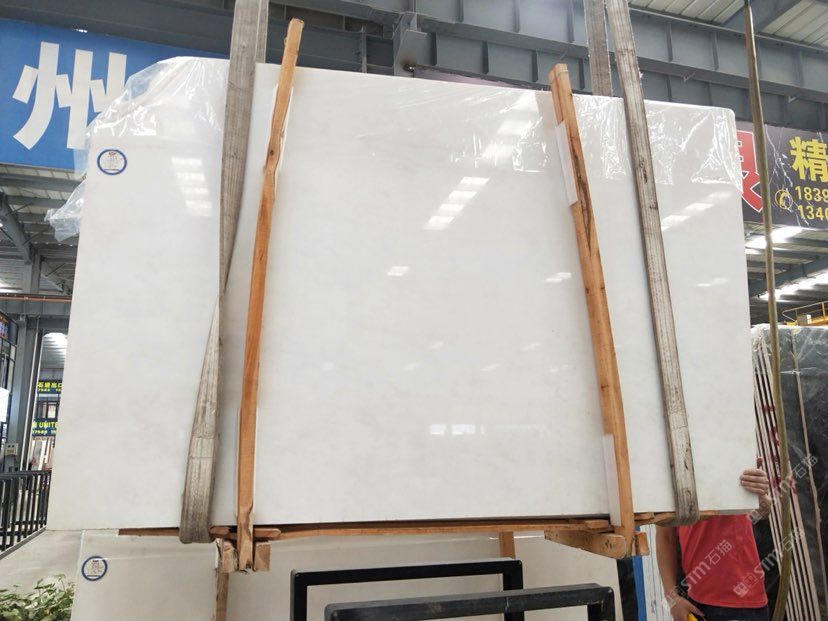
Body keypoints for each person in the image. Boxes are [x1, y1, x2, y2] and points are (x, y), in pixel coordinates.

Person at [656, 459, 772, 621]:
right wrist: (672, 598)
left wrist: (760, 495)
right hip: (696, 598)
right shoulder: (668, 464)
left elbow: (762, 511)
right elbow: (665, 537)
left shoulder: (730, 453)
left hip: (741, 600)